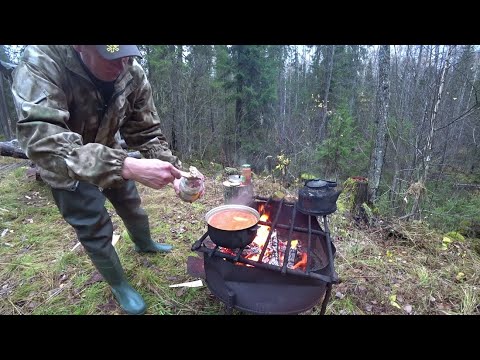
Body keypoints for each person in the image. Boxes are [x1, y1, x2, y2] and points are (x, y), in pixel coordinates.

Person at [10, 45, 205, 315]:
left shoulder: (130, 72)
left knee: (131, 204)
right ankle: (119, 284)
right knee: (93, 226)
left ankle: (143, 243)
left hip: (110, 150)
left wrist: (177, 172)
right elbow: (42, 139)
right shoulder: (40, 62)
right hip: (65, 166)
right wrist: (124, 164)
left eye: (127, 54)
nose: (122, 64)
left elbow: (146, 131)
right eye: (111, 55)